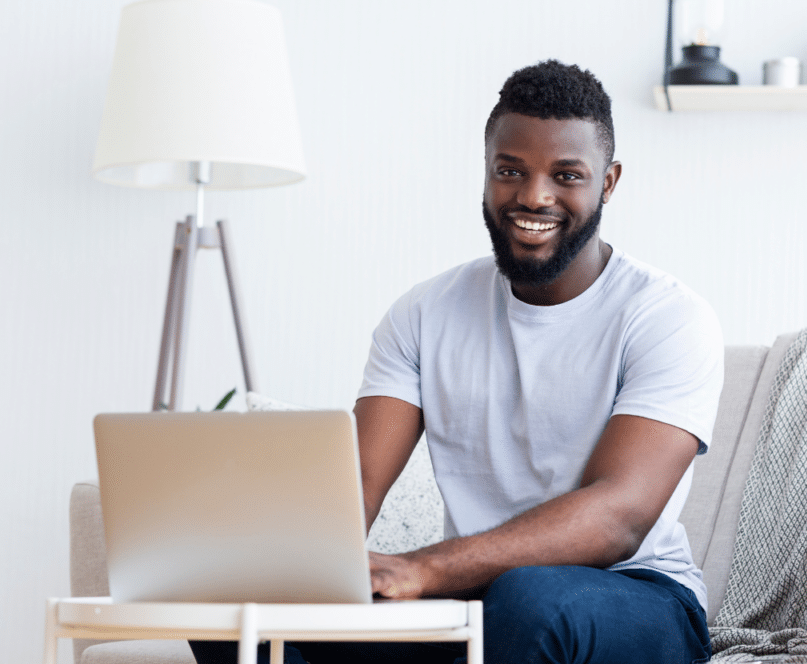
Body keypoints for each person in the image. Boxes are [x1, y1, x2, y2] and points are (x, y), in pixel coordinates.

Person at [191, 59, 722, 664]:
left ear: (608, 182)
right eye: (510, 171)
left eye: (566, 175)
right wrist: (280, 572)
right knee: (234, 609)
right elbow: (357, 485)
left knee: (530, 601)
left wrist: (425, 568)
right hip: (473, 604)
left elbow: (619, 514)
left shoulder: (667, 317)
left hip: (640, 597)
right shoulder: (424, 313)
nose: (533, 196)